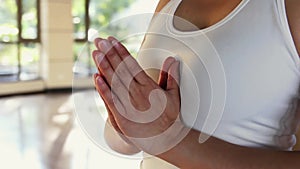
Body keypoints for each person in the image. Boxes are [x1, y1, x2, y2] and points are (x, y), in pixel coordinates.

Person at [92, 0, 300, 168]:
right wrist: (127, 125)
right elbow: (126, 144)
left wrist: (170, 140)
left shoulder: (288, 9)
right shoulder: (167, 4)